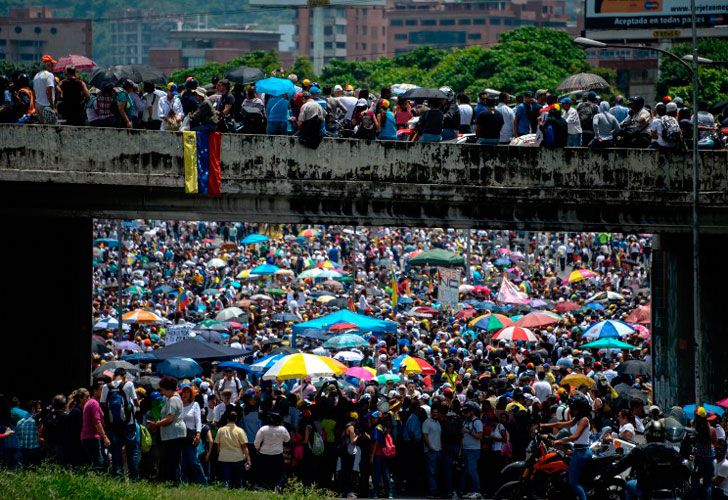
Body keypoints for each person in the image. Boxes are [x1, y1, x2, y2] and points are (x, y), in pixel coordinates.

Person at [609, 418, 687, 500]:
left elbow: (620, 466)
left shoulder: (640, 450)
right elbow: (683, 470)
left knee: (629, 485)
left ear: (647, 434)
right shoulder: (672, 451)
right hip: (669, 494)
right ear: (663, 434)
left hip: (646, 493)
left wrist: (606, 474)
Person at [540, 395, 592, 500]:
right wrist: (544, 425)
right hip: (576, 450)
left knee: (573, 483)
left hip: (582, 453)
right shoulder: (576, 419)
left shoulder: (584, 420)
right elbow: (560, 424)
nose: (572, 410)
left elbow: (575, 436)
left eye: (574, 408)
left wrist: (559, 440)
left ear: (581, 408)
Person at [100, 367, 140, 479]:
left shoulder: (105, 387)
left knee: (116, 450)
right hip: (128, 423)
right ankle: (134, 478)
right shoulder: (129, 385)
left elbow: (103, 404)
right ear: (124, 376)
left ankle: (118, 478)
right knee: (132, 450)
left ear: (113, 376)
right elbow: (136, 401)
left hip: (113, 425)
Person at [148, 376, 186, 485]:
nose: (162, 393)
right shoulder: (172, 399)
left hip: (174, 434)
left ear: (167, 388)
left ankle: (174, 482)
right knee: (170, 459)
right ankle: (170, 481)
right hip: (172, 434)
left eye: (162, 390)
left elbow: (169, 418)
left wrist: (156, 424)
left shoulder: (173, 399)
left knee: (172, 460)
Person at [215, 406, 251, 488]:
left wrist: (220, 454)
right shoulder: (240, 431)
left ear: (227, 419)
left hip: (224, 458)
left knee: (226, 480)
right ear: (236, 419)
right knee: (237, 481)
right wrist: (248, 459)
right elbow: (244, 447)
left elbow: (218, 445)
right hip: (237, 458)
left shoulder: (220, 430)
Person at [254, 411, 290, 490]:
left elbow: (256, 443)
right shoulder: (282, 429)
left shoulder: (263, 429)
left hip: (264, 454)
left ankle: (263, 486)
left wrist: (258, 449)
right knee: (277, 472)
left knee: (264, 471)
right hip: (277, 454)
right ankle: (276, 486)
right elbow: (287, 439)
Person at [180, 385, 207, 485]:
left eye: (188, 392)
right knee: (182, 462)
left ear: (191, 394)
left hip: (191, 435)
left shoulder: (195, 404)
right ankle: (184, 482)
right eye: (184, 392)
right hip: (180, 435)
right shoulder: (179, 405)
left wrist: (198, 434)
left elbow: (198, 421)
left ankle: (203, 483)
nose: (185, 394)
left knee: (194, 461)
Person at [80, 380, 109, 470]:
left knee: (95, 464)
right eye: (101, 390)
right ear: (95, 391)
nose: (104, 392)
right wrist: (104, 437)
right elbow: (97, 422)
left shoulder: (93, 402)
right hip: (92, 437)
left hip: (89, 437)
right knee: (99, 466)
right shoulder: (94, 403)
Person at [461, 401, 483, 499]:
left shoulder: (477, 422)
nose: (465, 414)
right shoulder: (465, 421)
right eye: (464, 412)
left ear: (471, 412)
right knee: (467, 471)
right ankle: (471, 490)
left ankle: (477, 491)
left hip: (474, 450)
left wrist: (469, 431)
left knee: (472, 471)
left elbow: (480, 436)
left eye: (466, 412)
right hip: (465, 449)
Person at [422, 405, 442, 499]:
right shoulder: (427, 422)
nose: (435, 414)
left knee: (436, 472)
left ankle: (434, 491)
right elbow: (425, 435)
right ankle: (432, 491)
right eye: (434, 412)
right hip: (430, 451)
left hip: (438, 450)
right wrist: (430, 447)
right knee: (431, 472)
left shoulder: (438, 422)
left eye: (437, 412)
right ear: (431, 413)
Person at [32, 54, 57, 124]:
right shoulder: (49, 75)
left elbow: (34, 92)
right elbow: (48, 91)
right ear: (47, 65)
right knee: (51, 127)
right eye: (52, 65)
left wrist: (35, 106)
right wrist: (53, 107)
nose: (53, 67)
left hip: (38, 105)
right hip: (46, 106)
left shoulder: (36, 76)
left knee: (43, 127)